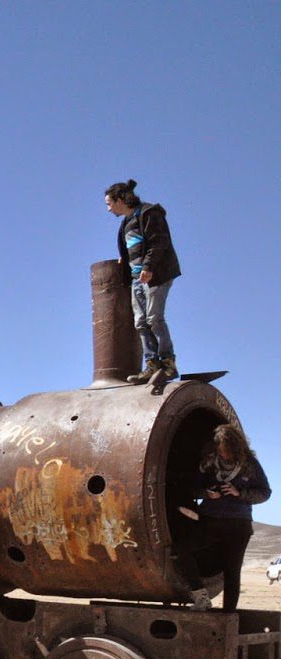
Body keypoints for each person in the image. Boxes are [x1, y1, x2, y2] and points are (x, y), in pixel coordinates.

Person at [175, 425, 270, 611]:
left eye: (227, 450)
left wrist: (239, 493)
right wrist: (207, 494)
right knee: (181, 549)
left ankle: (228, 615)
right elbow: (191, 488)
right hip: (210, 519)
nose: (224, 454)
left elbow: (265, 493)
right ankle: (200, 595)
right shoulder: (209, 464)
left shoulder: (250, 465)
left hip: (238, 524)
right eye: (221, 450)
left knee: (232, 571)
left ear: (236, 447)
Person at [105, 179, 182, 384]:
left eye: (109, 203)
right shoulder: (125, 224)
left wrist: (148, 267)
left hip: (156, 275)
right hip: (136, 279)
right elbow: (131, 248)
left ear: (120, 199)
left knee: (154, 318)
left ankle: (168, 363)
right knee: (140, 322)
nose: (108, 209)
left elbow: (159, 241)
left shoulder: (149, 213)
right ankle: (151, 364)